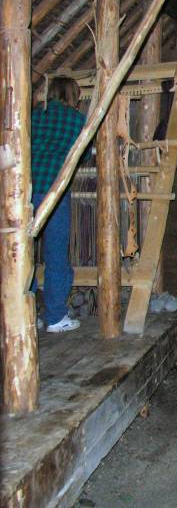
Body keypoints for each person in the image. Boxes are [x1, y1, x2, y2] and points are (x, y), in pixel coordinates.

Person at [31, 76, 86, 333]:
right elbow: (81, 155)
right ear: (73, 96)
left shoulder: (34, 116)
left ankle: (26, 314)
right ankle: (55, 318)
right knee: (56, 255)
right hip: (54, 191)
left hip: (25, 192)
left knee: (22, 255)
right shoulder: (76, 120)